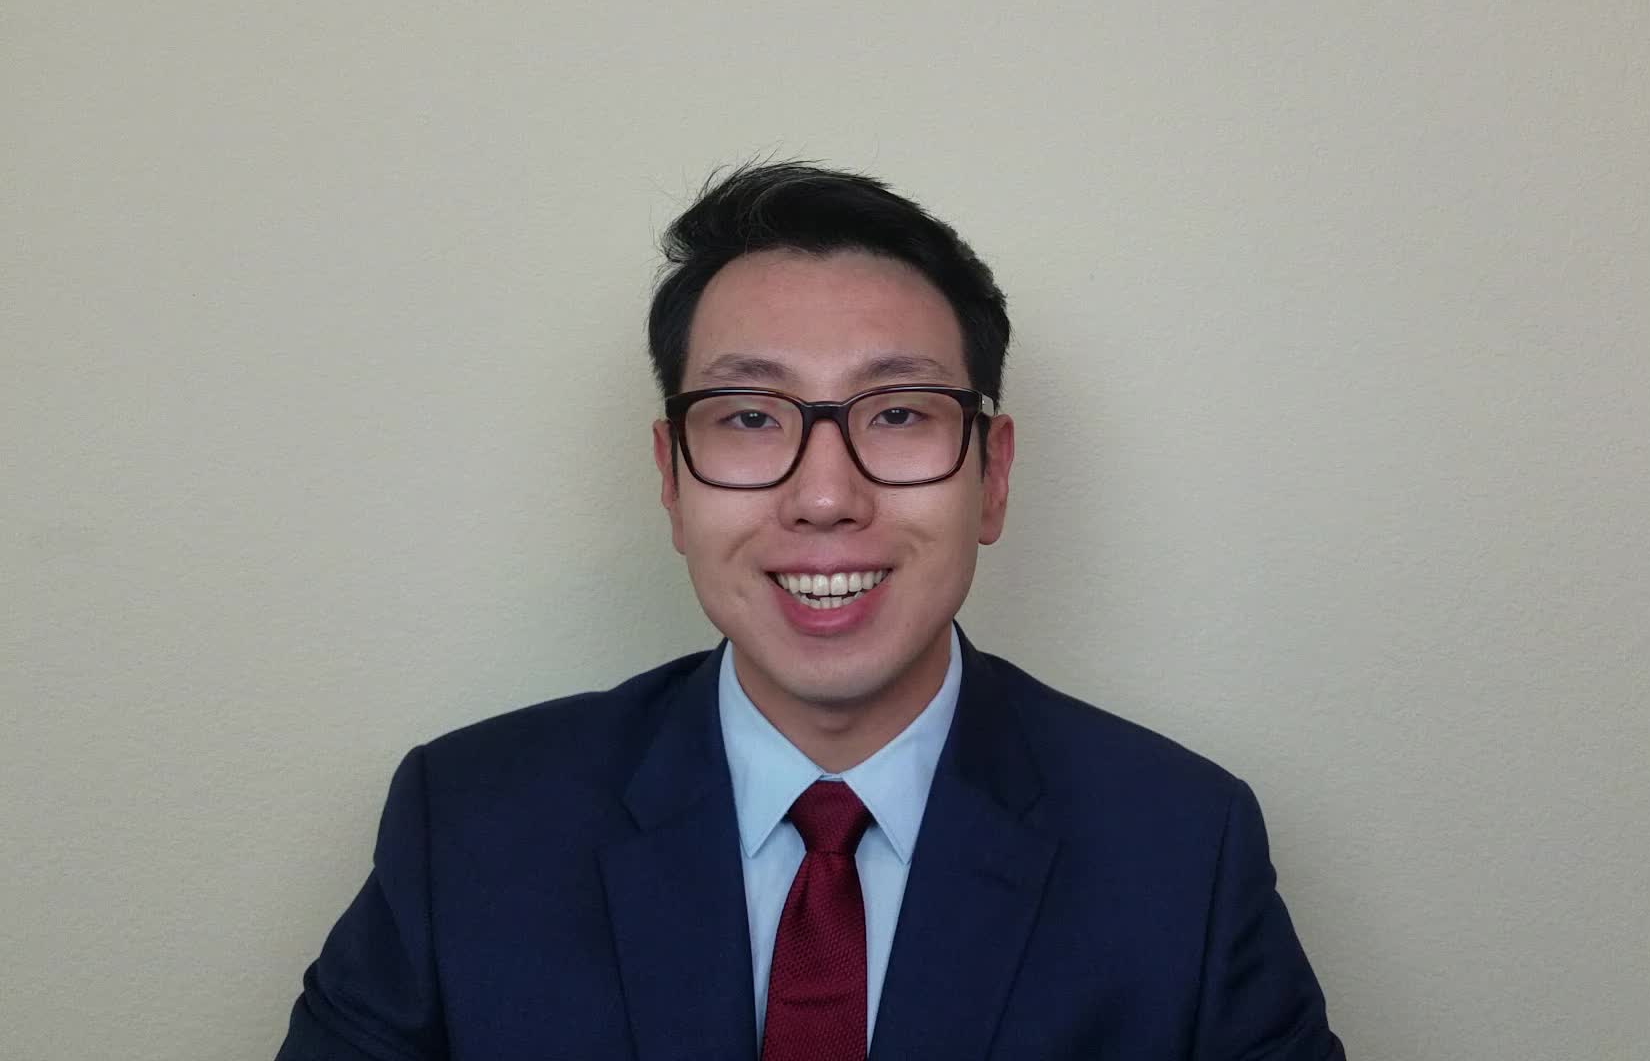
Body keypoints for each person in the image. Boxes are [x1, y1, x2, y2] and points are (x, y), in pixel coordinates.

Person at [276, 162, 1344, 1060]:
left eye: (900, 413)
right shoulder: (467, 828)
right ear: (670, 480)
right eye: (748, 416)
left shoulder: (1184, 850)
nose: (825, 496)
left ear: (994, 477)